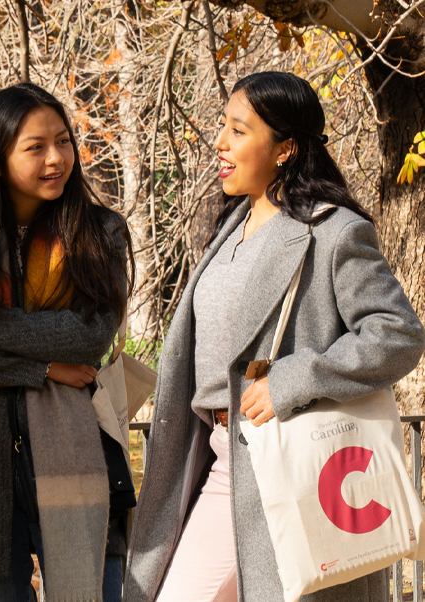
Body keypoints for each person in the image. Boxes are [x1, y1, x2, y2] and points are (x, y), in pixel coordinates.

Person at [124, 71, 425, 602]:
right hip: (222, 459)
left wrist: (293, 378)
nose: (219, 142)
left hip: (291, 462)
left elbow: (397, 333)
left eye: (238, 131)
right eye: (223, 126)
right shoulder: (226, 229)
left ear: (285, 147)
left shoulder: (333, 231)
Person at [0, 82, 135, 602]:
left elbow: (87, 335)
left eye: (62, 141)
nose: (56, 158)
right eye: (35, 147)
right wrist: (40, 370)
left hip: (75, 446)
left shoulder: (99, 231)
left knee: (90, 588)